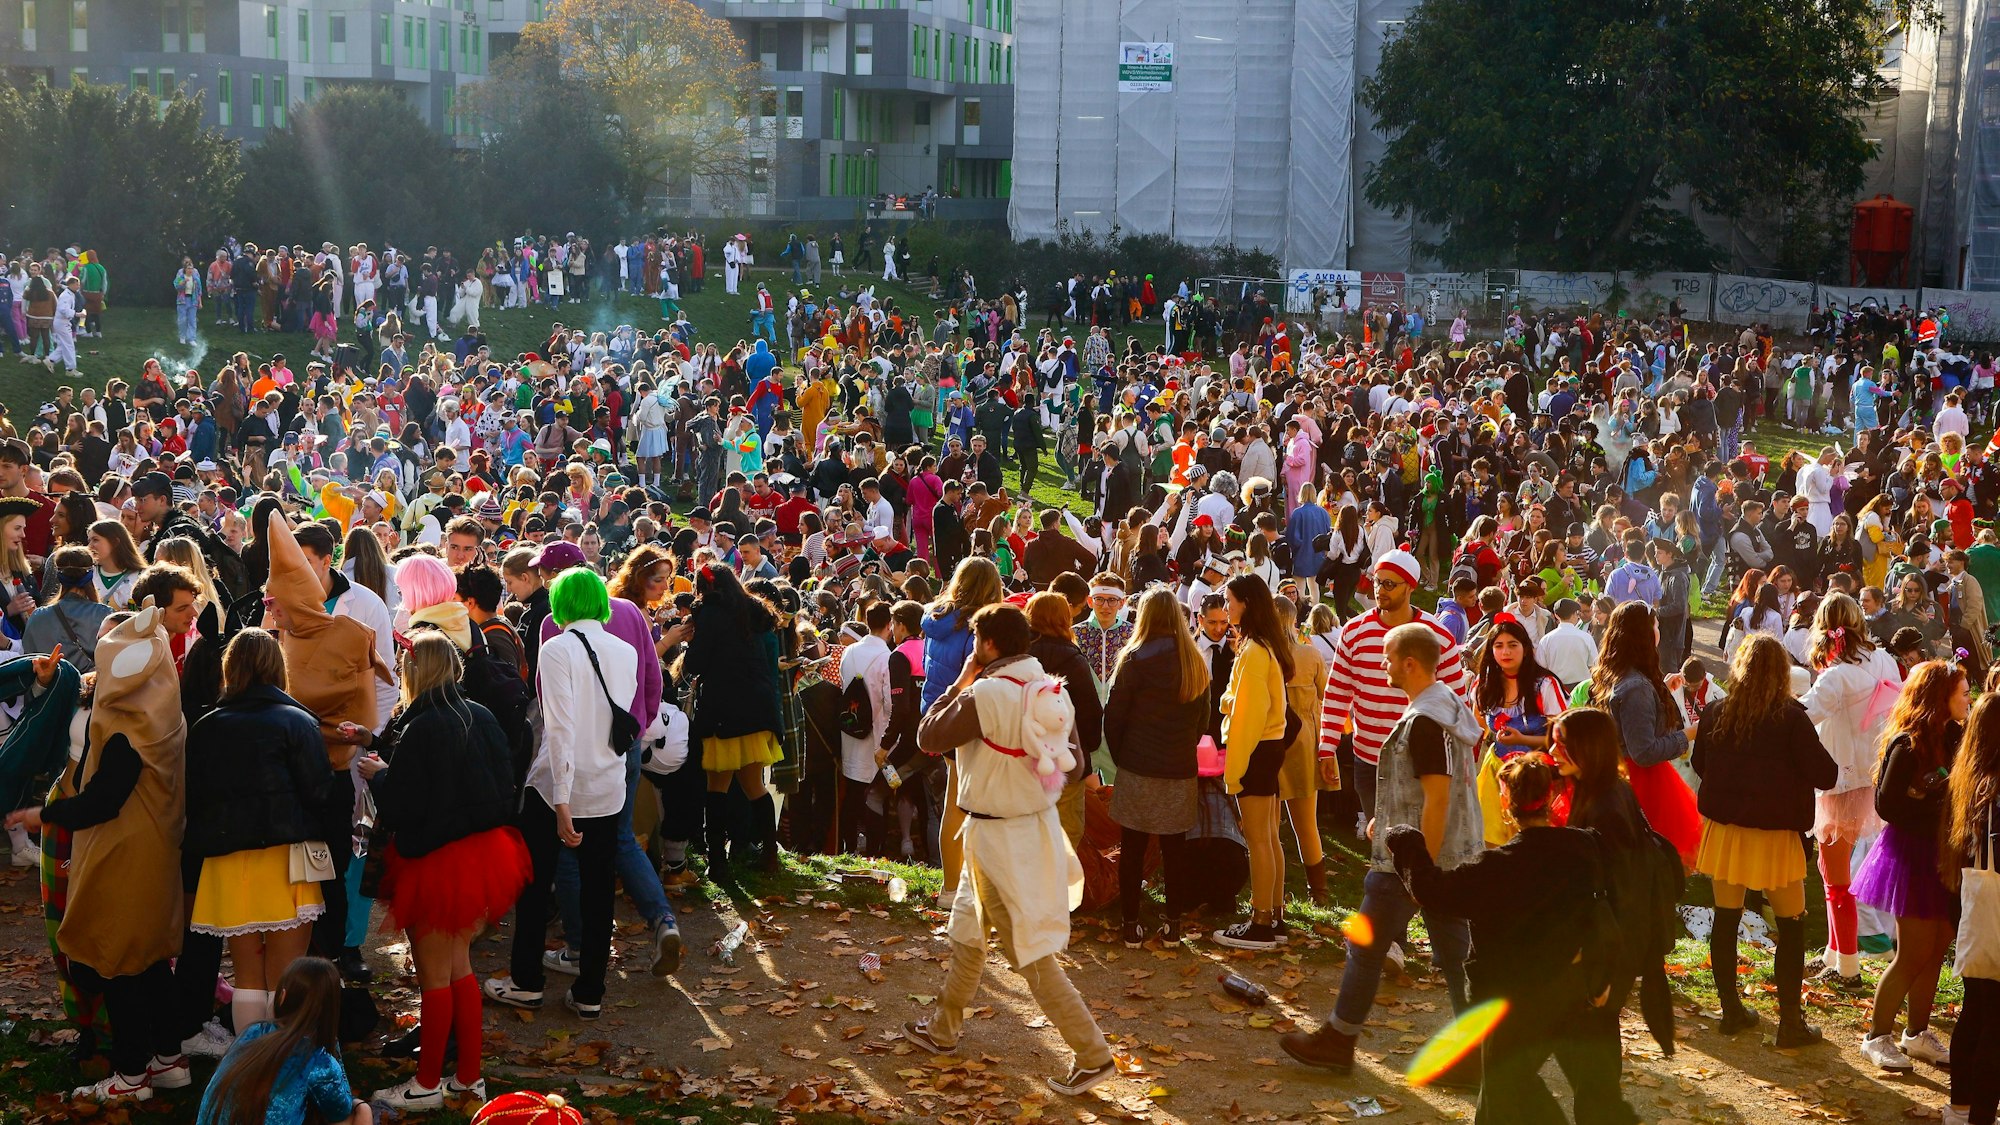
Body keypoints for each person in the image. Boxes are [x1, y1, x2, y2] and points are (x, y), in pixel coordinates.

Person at [900, 604, 1117, 1097]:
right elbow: (1076, 760)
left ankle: (1092, 1053)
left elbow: (928, 736)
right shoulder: (1049, 688)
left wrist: (960, 681)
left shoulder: (987, 691)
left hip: (999, 835)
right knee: (968, 931)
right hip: (1026, 828)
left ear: (989, 644)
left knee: (1028, 953)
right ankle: (943, 1029)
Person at [1383, 752, 1635, 1125]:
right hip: (1578, 988)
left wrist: (1403, 839)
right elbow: (1618, 900)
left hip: (1512, 1000)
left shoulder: (1493, 869)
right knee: (1596, 1095)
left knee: (1505, 1093)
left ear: (1506, 802)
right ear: (1551, 799)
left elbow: (1431, 890)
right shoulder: (1589, 848)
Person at [8, 606, 190, 1102]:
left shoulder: (127, 729)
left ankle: (132, 1075)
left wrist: (41, 817)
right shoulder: (160, 712)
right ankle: (167, 1059)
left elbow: (103, 801)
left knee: (119, 963)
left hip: (123, 856)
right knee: (148, 961)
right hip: (151, 853)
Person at [1281, 622, 1478, 1078]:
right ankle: (1479, 1054)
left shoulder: (1425, 720)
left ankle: (1338, 1039)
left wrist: (1419, 868)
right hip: (1432, 855)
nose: (1382, 666)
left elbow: (1438, 796)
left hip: (1412, 862)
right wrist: (1385, 817)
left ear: (1410, 664)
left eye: (1388, 659)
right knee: (1455, 955)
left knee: (1368, 946)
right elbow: (1425, 790)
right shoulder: (1445, 704)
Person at [357, 632, 530, 1110]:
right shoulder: (482, 715)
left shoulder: (423, 727)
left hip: (436, 862)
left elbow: (405, 805)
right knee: (460, 969)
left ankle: (427, 1082)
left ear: (416, 672)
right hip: (483, 855)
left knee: (433, 975)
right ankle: (469, 1078)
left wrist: (381, 774)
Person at [484, 568, 636, 1021]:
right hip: (607, 782)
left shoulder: (557, 648)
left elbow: (561, 729)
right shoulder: (624, 650)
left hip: (557, 786)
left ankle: (527, 981)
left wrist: (564, 799)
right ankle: (591, 989)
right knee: (597, 889)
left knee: (535, 887)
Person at [184, 629, 337, 1045]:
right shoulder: (298, 721)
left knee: (248, 976)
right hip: (285, 857)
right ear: (277, 667)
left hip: (227, 858)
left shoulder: (206, 726)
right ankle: (279, 1065)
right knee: (286, 974)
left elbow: (193, 796)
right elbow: (321, 792)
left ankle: (249, 1066)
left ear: (230, 669)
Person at [1692, 634, 1838, 1047]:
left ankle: (1730, 1011)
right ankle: (1789, 1023)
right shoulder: (1791, 718)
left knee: (1726, 917)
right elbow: (1825, 774)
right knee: (1791, 926)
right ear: (1780, 674)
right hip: (1775, 834)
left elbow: (1701, 763)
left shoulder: (1717, 711)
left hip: (1727, 831)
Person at [1853, 660, 1968, 1072]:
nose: (1968, 698)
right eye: (1963, 692)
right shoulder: (1909, 743)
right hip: (1912, 856)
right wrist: (1932, 809)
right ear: (1941, 697)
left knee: (1936, 950)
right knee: (1912, 953)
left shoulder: (1956, 736)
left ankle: (1917, 1034)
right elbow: (1888, 805)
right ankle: (1875, 1037)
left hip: (1944, 857)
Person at [1799, 592, 1902, 984]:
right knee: (1831, 870)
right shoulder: (1884, 660)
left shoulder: (1836, 676)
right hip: (1870, 777)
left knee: (1836, 877)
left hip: (1840, 782)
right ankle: (1833, 953)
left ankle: (1848, 967)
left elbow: (1803, 715)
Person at [1103, 588, 1207, 944]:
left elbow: (1113, 718)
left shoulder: (1134, 659)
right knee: (1174, 848)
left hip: (1138, 763)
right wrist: (1181, 749)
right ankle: (1173, 922)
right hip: (1178, 766)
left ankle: (1130, 921)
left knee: (1131, 847)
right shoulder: (1194, 661)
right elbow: (1201, 722)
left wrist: (1124, 758)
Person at [681, 565, 786, 877]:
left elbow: (696, 664)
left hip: (724, 709)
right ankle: (770, 854)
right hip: (757, 707)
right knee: (754, 785)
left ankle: (717, 862)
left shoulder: (710, 614)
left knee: (717, 786)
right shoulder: (753, 611)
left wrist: (688, 643)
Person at [1212, 574, 1298, 950]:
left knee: (1258, 839)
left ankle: (1261, 920)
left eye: (1230, 600)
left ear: (1247, 602)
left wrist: (1233, 773)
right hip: (1268, 748)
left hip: (1256, 749)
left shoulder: (1254, 651)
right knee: (1269, 838)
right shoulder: (1262, 646)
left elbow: (1247, 715)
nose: (1226, 607)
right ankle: (1274, 915)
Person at [1588, 603, 1701, 864]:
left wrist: (1659, 689)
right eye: (1656, 625)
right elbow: (1644, 751)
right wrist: (1689, 734)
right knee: (1647, 864)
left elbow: (1629, 721)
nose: (1659, 629)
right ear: (1645, 633)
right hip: (1640, 785)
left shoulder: (1620, 676)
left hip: (1623, 776)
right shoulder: (1635, 686)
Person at [196, 957, 371, 1125]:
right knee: (354, 1117)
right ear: (332, 1009)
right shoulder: (318, 1062)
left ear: (282, 996)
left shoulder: (253, 1031)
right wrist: (363, 1108)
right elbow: (341, 1111)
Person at [1945, 692, 2000, 1125]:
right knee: (1993, 1021)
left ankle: (1960, 1108)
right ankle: (1980, 1112)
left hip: (1974, 910)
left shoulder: (1968, 779)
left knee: (1974, 1010)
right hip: (1991, 912)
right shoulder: (1995, 788)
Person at [1472, 615, 1566, 846]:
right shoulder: (1483, 686)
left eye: (1513, 645)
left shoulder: (1544, 685)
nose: (1506, 652)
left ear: (1525, 648)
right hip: (1496, 770)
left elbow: (1563, 737)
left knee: (1534, 843)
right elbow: (1477, 726)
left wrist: (1523, 739)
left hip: (1538, 775)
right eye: (1499, 646)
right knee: (1491, 840)